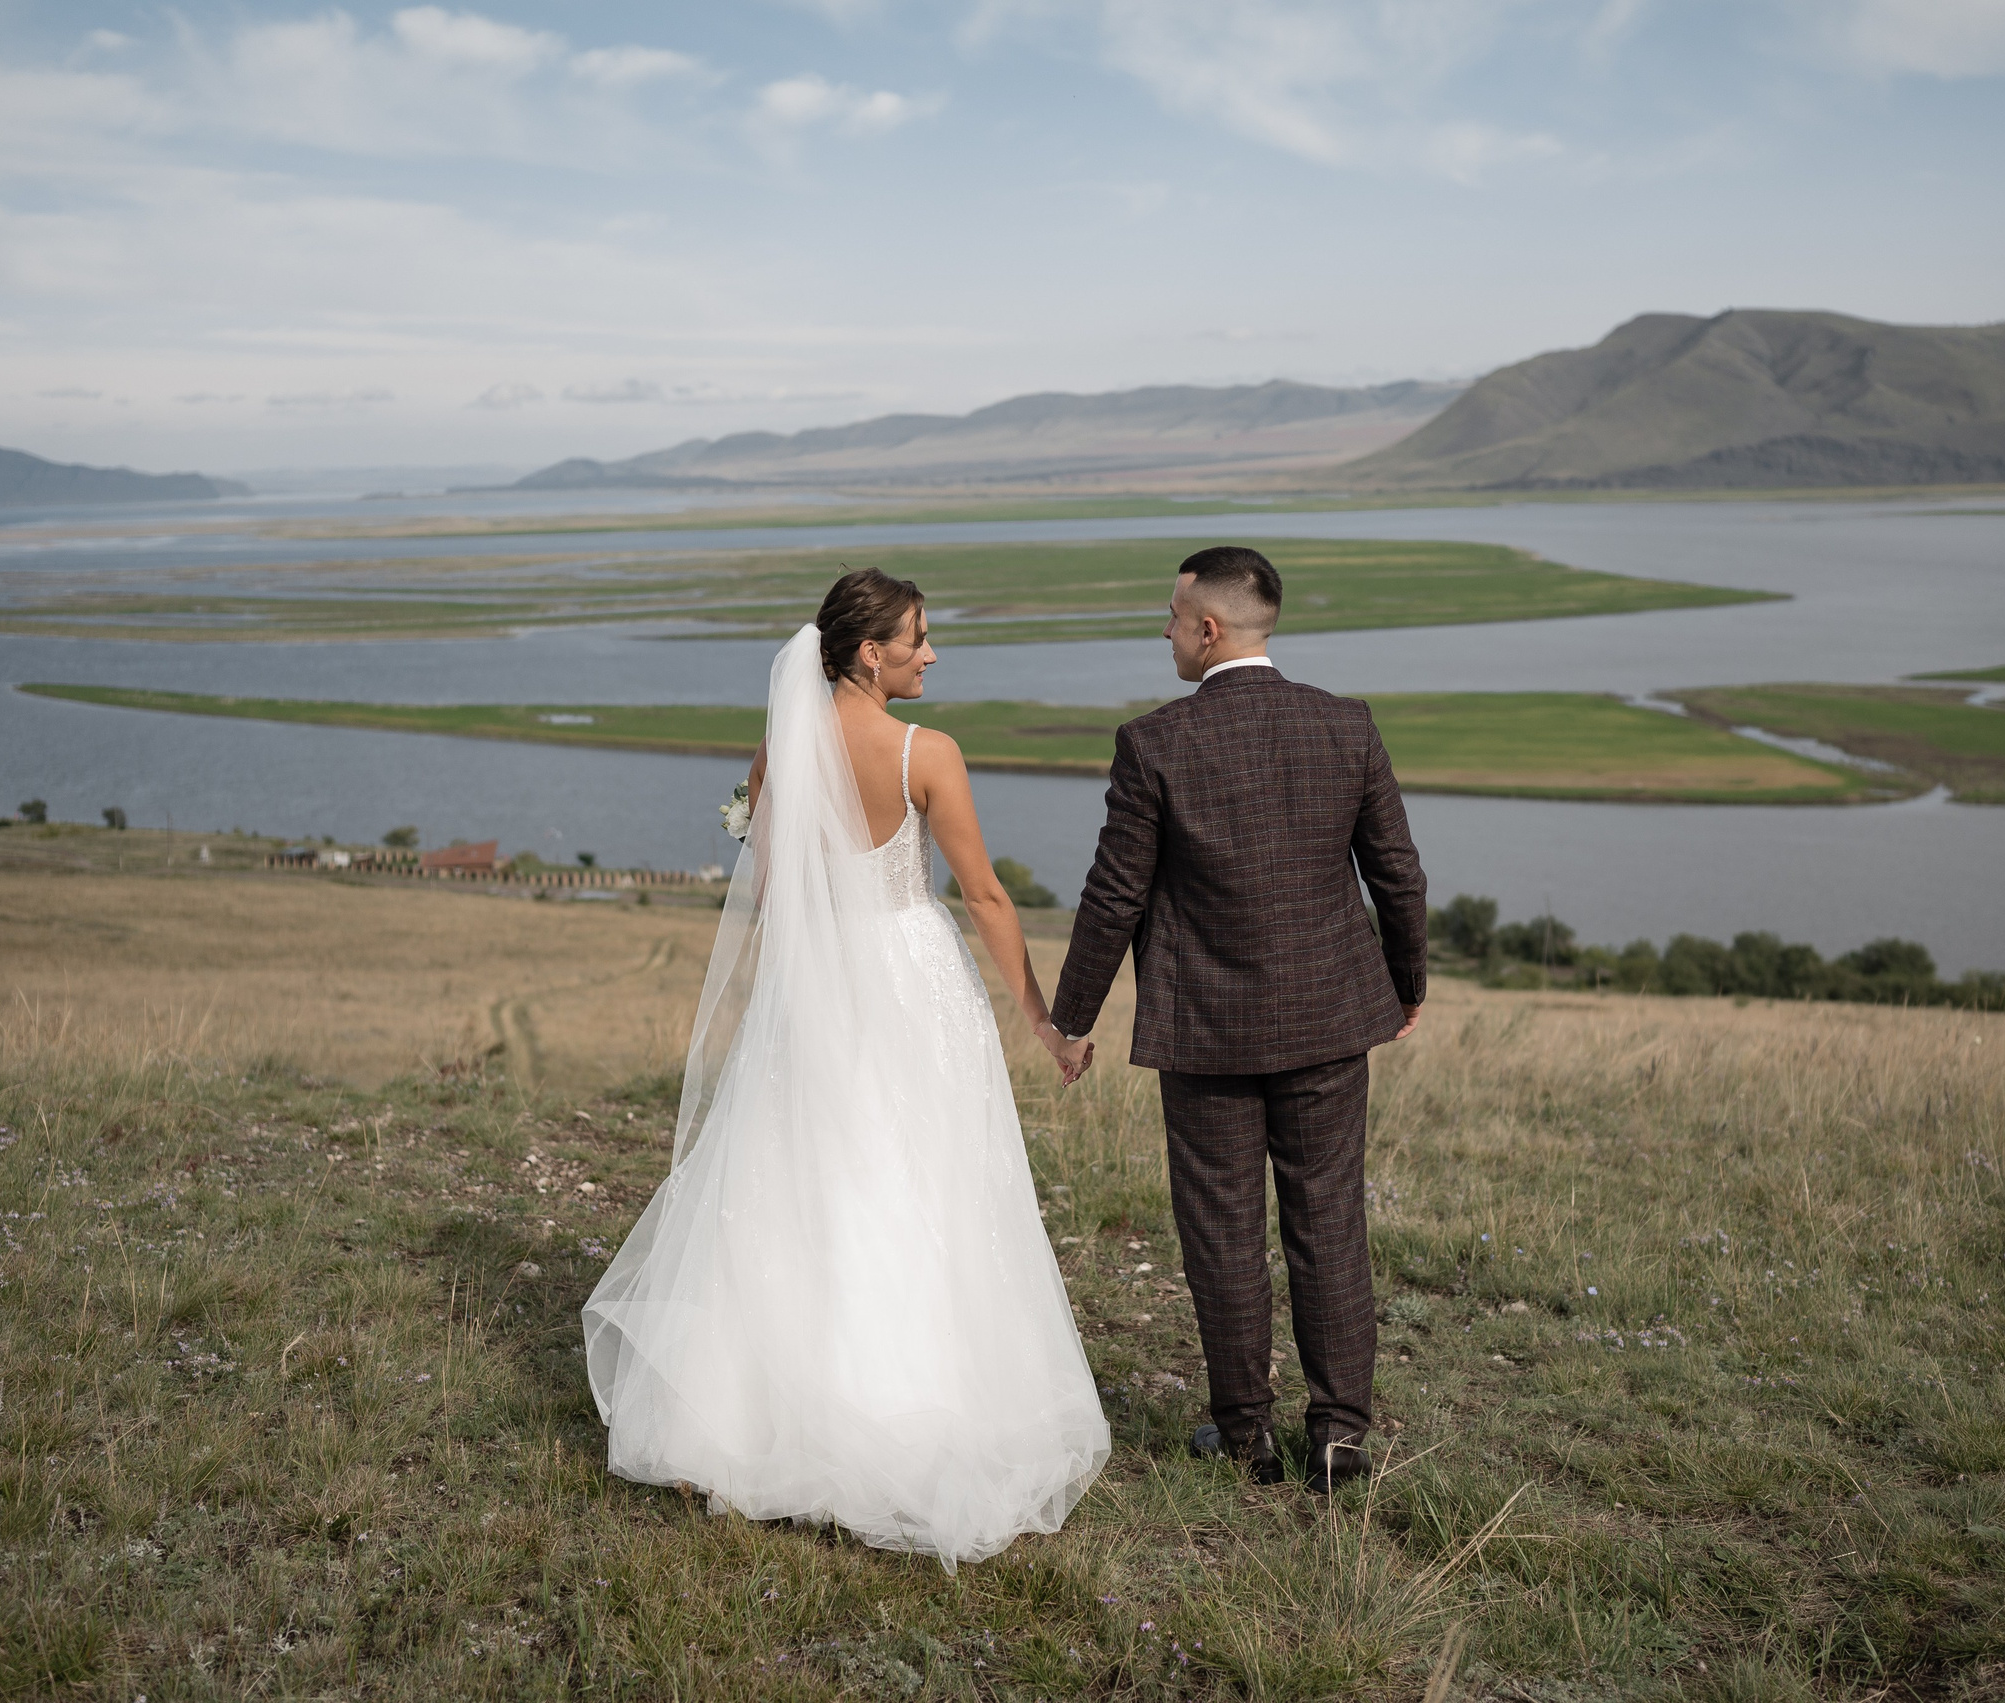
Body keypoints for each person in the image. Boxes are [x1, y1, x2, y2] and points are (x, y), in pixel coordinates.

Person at [581, 567, 1109, 1570]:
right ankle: (906, 1416)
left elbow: (775, 891)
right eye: (920, 636)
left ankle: (751, 1418)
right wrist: (1043, 1022)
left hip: (814, 986)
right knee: (916, 1179)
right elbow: (989, 897)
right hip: (909, 980)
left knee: (797, 1178)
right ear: (871, 651)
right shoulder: (926, 751)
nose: (932, 652)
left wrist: (801, 993)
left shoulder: (783, 745)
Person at [1048, 545, 1427, 1493]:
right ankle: (1341, 1439)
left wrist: (1070, 1019)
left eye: (1172, 617)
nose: (1165, 631)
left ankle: (1247, 1434)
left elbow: (1112, 899)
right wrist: (1404, 983)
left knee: (1222, 1229)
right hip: (1331, 1022)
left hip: (1208, 1032)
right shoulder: (1345, 725)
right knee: (1330, 1223)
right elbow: (1399, 875)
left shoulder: (1155, 744)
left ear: (1208, 629)